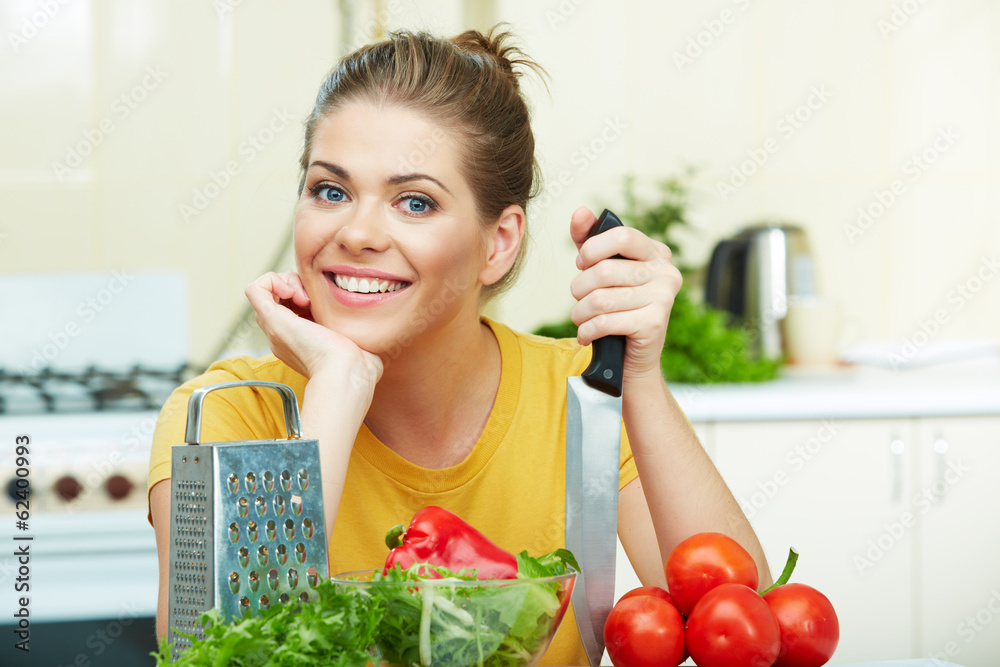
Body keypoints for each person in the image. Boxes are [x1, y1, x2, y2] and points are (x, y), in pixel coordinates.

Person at [147, 25, 771, 665]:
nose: (357, 232)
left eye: (414, 202)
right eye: (330, 191)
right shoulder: (227, 414)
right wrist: (338, 386)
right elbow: (219, 655)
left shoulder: (583, 398)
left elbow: (753, 624)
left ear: (497, 243)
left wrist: (639, 376)